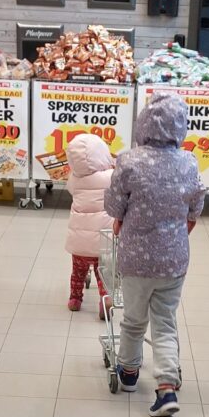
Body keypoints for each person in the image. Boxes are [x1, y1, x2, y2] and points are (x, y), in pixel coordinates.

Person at [104, 92, 205, 417]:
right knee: (165, 322)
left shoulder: (129, 160)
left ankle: (130, 374)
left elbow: (114, 206)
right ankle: (166, 387)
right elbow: (196, 209)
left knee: (134, 321)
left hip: (135, 260)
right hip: (173, 261)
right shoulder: (189, 162)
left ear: (143, 122)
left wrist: (122, 220)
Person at [64, 133, 113, 319]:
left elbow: (71, 191)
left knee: (77, 272)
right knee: (103, 272)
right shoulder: (111, 176)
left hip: (79, 241)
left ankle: (75, 300)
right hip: (103, 239)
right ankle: (105, 298)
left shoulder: (74, 178)